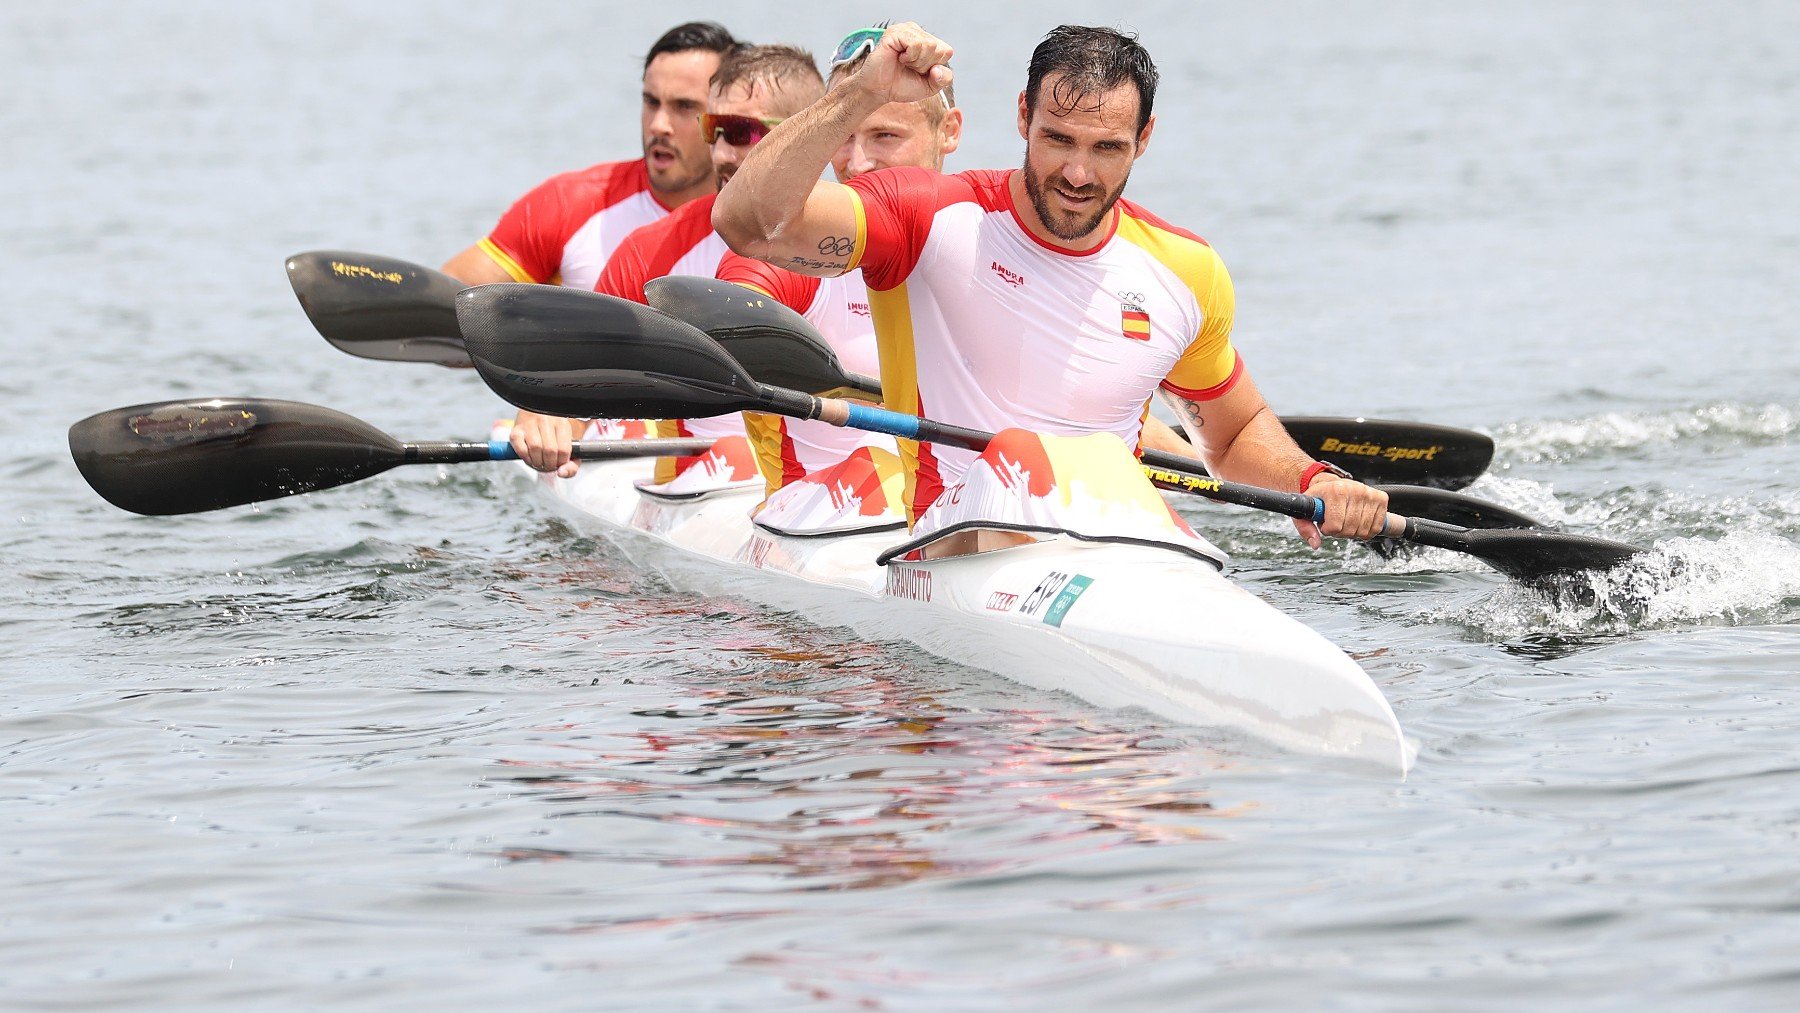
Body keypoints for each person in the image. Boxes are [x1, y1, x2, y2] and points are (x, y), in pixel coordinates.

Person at [711, 23, 1389, 550]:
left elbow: (1233, 431)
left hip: (1121, 537)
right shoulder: (926, 217)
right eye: (1057, 139)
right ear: (1021, 117)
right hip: (953, 545)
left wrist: (1312, 478)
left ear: (1144, 139)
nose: (1078, 174)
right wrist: (858, 93)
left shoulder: (1186, 270)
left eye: (1106, 148)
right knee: (1021, 454)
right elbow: (747, 221)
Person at [511, 44, 826, 481]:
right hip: (702, 481)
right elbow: (572, 377)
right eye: (714, 131)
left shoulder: (867, 241)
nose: (720, 154)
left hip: (859, 488)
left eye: (740, 133)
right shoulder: (651, 250)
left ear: (806, 136)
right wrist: (542, 417)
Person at [715, 26, 962, 503]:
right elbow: (737, 287)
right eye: (844, 139)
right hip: (817, 514)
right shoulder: (790, 254)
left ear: (949, 131)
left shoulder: (989, 242)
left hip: (960, 509)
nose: (858, 163)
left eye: (885, 135)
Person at [439, 21, 741, 289]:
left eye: (684, 107)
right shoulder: (568, 204)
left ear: (724, 120)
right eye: (651, 102)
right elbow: (444, 310)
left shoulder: (768, 225)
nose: (659, 125)